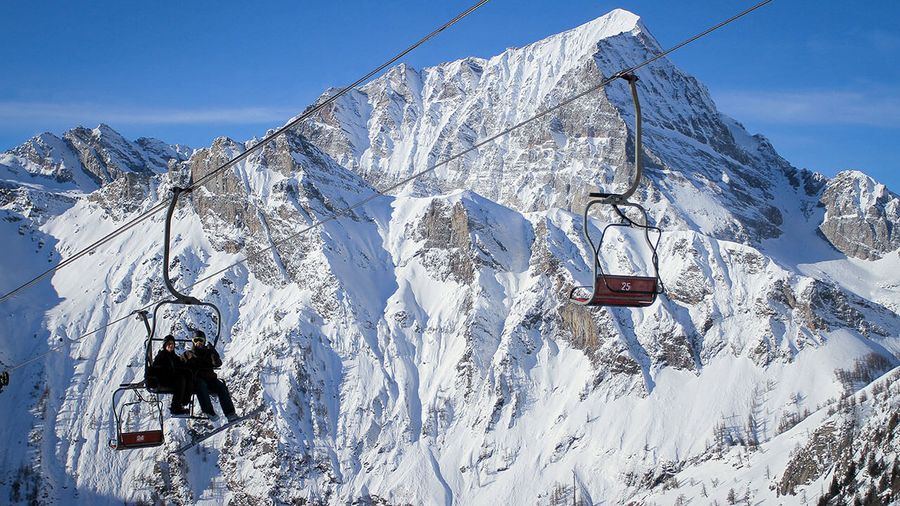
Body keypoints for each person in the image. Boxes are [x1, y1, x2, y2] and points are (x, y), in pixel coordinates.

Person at [183, 330, 238, 422]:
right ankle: (209, 412)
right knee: (201, 385)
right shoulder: (188, 354)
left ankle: (230, 413)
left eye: (200, 341)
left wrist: (212, 352)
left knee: (221, 386)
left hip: (210, 379)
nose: (198, 343)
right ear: (193, 341)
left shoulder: (208, 353)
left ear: (204, 341)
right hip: (197, 379)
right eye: (196, 340)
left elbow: (217, 363)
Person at [151, 335, 191, 416]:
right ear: (165, 345)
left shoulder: (174, 356)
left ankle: (183, 402)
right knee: (180, 380)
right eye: (169, 344)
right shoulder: (161, 356)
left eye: (172, 344)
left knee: (187, 376)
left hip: (171, 378)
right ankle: (176, 407)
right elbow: (157, 369)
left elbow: (179, 365)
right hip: (163, 379)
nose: (171, 345)